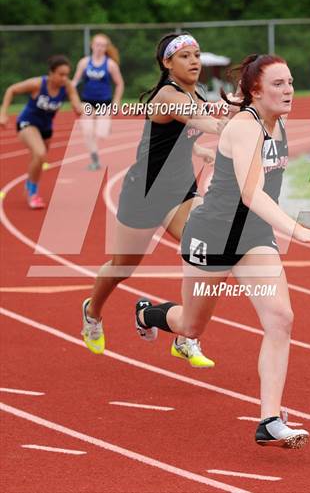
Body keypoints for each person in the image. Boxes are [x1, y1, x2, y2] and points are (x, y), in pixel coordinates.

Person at [135, 54, 310, 448]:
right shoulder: (246, 127)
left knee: (281, 318)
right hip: (212, 238)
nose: (289, 89)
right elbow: (250, 192)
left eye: (291, 81)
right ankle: (147, 312)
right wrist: (296, 230)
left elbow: (252, 169)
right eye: (278, 83)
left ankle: (270, 419)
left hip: (254, 238)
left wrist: (218, 149)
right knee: (190, 327)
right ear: (257, 91)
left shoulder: (277, 121)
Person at [81, 32, 228, 367]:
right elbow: (198, 120)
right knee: (123, 267)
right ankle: (92, 312)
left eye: (197, 55)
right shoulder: (167, 94)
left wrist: (199, 148)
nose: (194, 61)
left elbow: (184, 132)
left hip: (179, 190)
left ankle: (185, 334)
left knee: (207, 249)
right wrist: (230, 120)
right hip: (144, 192)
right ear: (168, 62)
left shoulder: (197, 92)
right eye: (185, 56)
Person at [0, 55, 82, 208]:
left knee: (39, 160)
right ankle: (32, 193)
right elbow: (11, 90)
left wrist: (79, 108)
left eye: (67, 75)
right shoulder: (38, 84)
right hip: (27, 123)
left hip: (46, 128)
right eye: (61, 74)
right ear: (51, 73)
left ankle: (30, 183)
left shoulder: (68, 86)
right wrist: (3, 114)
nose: (64, 78)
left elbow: (76, 102)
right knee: (40, 153)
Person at [72, 33, 124, 170]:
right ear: (92, 45)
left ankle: (105, 124)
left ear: (106, 48)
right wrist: (70, 92)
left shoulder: (110, 65)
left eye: (103, 45)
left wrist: (116, 101)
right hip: (87, 102)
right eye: (97, 45)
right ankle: (95, 159)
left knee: (101, 133)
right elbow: (75, 81)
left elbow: (119, 84)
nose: (100, 48)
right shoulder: (84, 63)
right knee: (87, 131)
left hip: (104, 103)